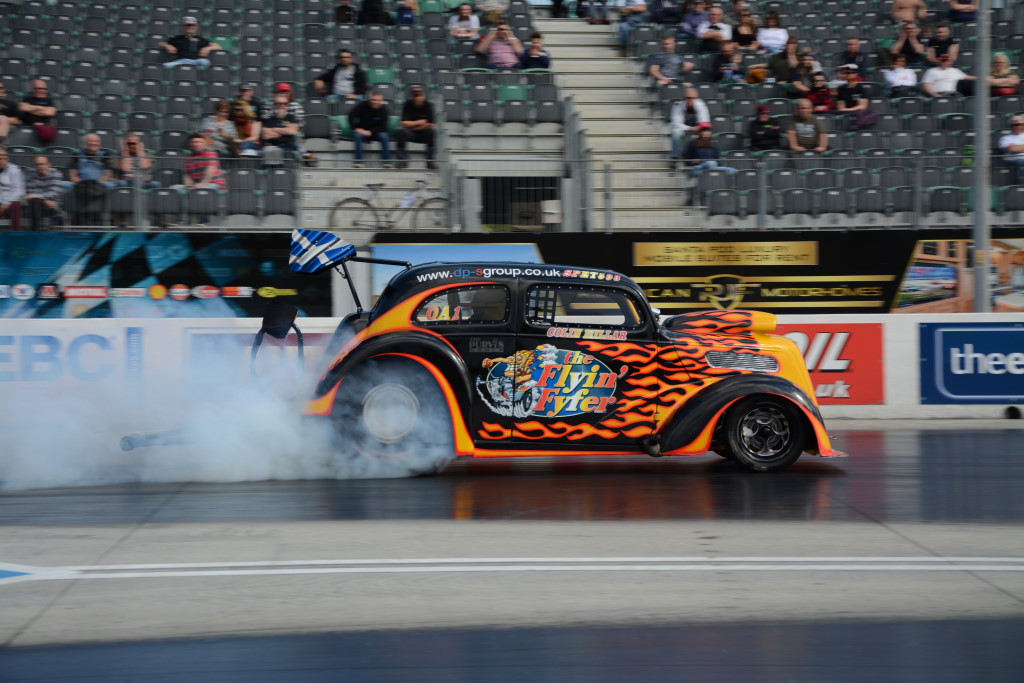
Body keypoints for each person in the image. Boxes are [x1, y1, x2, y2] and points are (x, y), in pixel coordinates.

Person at [68, 133, 114, 226]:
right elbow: (72, 174)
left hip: (99, 183)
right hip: (81, 183)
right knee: (64, 185)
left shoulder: (105, 155)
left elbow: (108, 175)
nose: (94, 143)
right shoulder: (76, 155)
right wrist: (79, 182)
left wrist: (97, 183)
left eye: (97, 141)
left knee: (111, 186)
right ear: (85, 143)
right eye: (91, 141)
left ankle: (100, 216)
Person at [396, 85, 436, 169]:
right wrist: (419, 122)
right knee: (401, 132)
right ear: (412, 97)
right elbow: (403, 124)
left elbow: (430, 124)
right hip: (411, 133)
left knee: (431, 132)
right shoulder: (408, 104)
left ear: (423, 95)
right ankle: (402, 160)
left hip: (423, 134)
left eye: (420, 95)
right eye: (416, 96)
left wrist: (412, 126)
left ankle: (430, 161)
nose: (418, 98)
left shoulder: (428, 105)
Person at [348, 91, 392, 168]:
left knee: (384, 136)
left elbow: (384, 127)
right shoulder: (363, 105)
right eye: (373, 100)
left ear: (382, 101)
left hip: (376, 133)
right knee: (357, 135)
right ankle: (359, 162)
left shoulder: (384, 110)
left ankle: (387, 162)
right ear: (370, 100)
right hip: (362, 132)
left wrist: (370, 132)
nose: (374, 102)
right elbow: (351, 115)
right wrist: (356, 128)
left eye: (377, 100)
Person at [24, 155, 64, 230]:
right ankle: (37, 230)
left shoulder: (56, 173)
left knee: (34, 202)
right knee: (34, 202)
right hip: (37, 205)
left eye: (42, 164)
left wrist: (36, 196)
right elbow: (30, 193)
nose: (39, 166)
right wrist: (44, 200)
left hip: (52, 206)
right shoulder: (30, 174)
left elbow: (53, 193)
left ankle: (35, 231)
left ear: (48, 164)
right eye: (37, 164)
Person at [669, 89, 710, 159]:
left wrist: (698, 128)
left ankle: (704, 156)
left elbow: (704, 121)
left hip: (698, 129)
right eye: (687, 98)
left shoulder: (701, 105)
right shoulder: (678, 105)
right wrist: (690, 128)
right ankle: (675, 156)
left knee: (706, 132)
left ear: (696, 98)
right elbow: (675, 124)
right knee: (675, 132)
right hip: (684, 129)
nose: (689, 100)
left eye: (692, 98)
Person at [18, 80, 57, 144]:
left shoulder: (48, 100)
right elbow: (22, 107)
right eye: (38, 88)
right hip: (27, 127)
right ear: (33, 89)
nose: (41, 90)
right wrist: (43, 109)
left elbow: (49, 112)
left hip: (43, 129)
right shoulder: (28, 99)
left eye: (43, 89)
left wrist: (30, 109)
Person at [0, 148, 25, 230]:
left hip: (11, 201)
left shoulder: (14, 170)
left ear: (7, 159)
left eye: (2, 159)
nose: (0, 161)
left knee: (15, 204)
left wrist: (6, 202)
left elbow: (18, 191)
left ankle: (15, 233)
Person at [0, 82, 19, 147]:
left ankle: (1, 143)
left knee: (3, 118)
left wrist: (4, 119)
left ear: (3, 90)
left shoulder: (10, 103)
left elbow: (16, 120)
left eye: (0, 88)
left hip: (6, 124)